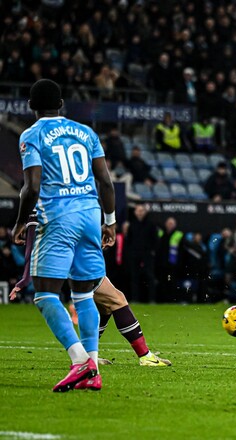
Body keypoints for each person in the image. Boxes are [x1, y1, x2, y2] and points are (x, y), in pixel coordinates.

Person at [11, 79, 116, 391]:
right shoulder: (86, 132)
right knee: (84, 295)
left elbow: (31, 186)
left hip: (58, 217)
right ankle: (92, 371)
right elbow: (106, 182)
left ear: (31, 106)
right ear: (60, 104)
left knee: (45, 294)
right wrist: (109, 222)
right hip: (91, 215)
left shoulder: (31, 135)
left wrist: (20, 222)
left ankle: (80, 361)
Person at [10, 214, 171, 367]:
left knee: (105, 307)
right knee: (116, 300)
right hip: (76, 261)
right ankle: (145, 356)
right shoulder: (48, 204)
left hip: (74, 259)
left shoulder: (49, 203)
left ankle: (87, 355)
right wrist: (26, 276)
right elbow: (33, 239)